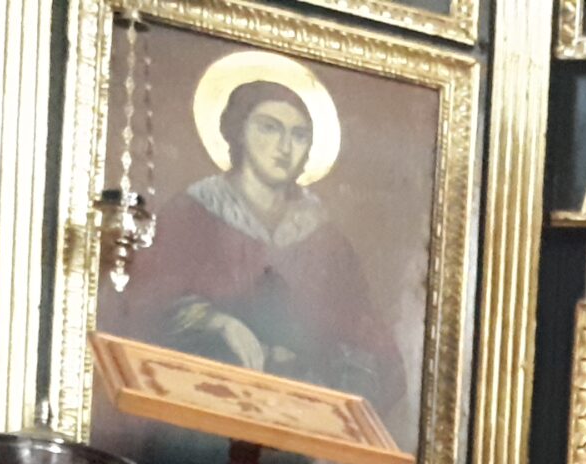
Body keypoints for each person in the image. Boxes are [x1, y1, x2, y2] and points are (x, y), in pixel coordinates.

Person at [105, 75, 408, 439]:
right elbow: (144, 306)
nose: (284, 147)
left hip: (297, 426)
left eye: (299, 135)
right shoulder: (192, 213)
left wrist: (337, 374)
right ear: (238, 131)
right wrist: (218, 323)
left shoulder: (328, 241)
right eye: (269, 128)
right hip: (202, 420)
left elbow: (367, 340)